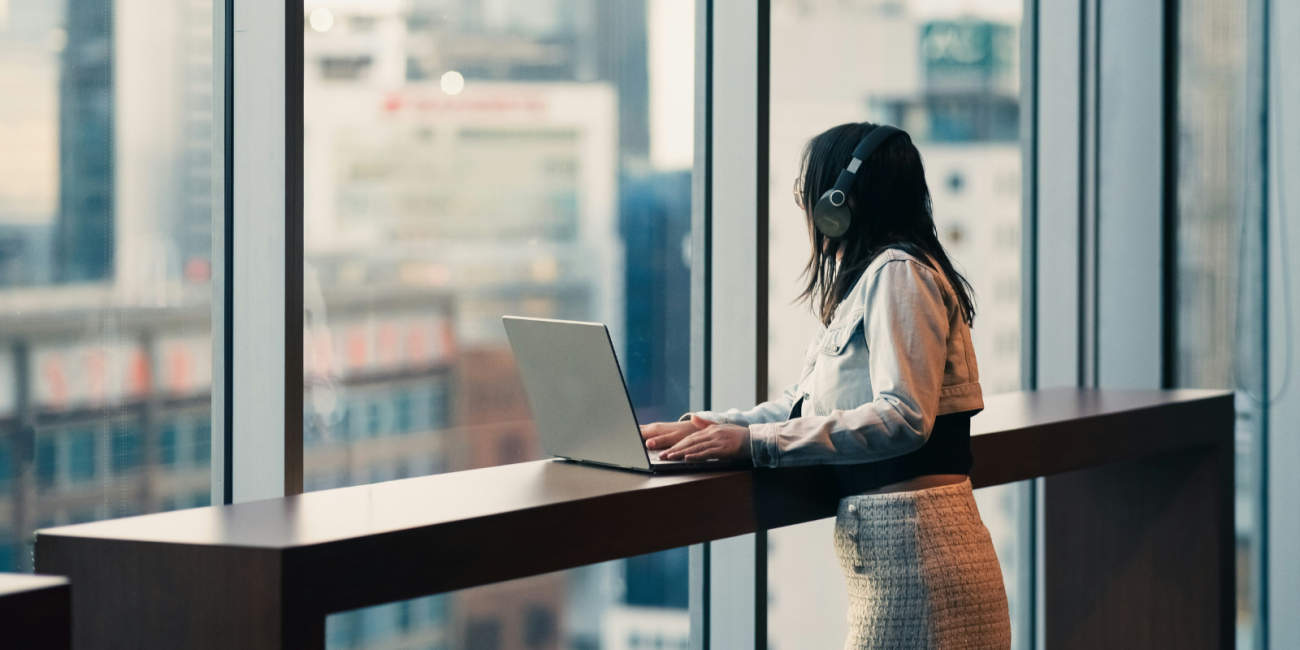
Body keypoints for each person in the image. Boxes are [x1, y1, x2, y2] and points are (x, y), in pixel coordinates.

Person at [640, 122, 1011, 649]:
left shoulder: (899, 272)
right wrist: (714, 427)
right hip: (900, 549)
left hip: (918, 555)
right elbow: (806, 404)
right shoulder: (877, 277)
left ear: (840, 201)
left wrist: (755, 444)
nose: (806, 209)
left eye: (807, 193)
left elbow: (904, 416)